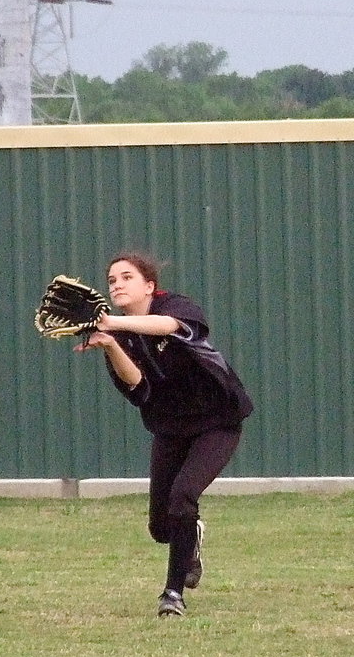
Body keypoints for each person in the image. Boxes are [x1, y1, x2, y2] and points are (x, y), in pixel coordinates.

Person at [75, 252, 254, 616]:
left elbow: (172, 327)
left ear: (150, 286)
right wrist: (109, 344)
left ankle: (173, 595)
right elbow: (139, 389)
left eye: (126, 277)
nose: (117, 285)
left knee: (183, 497)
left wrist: (112, 323)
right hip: (171, 428)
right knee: (160, 527)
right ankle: (191, 539)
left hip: (217, 421)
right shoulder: (118, 335)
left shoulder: (174, 306)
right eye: (112, 281)